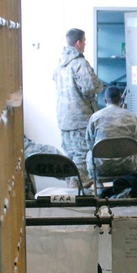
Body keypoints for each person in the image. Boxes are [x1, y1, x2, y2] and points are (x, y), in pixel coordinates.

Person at [53, 28, 104, 187]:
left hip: (64, 119)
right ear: (78, 42)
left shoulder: (60, 64)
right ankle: (81, 196)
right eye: (84, 41)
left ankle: (72, 189)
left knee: (72, 156)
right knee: (83, 157)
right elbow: (90, 87)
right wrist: (100, 85)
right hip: (80, 118)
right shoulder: (79, 63)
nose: (85, 44)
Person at [85, 85, 137, 179]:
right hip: (128, 166)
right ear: (121, 100)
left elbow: (89, 143)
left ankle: (99, 186)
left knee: (89, 153)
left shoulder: (95, 117)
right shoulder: (132, 117)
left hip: (102, 167)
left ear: (105, 100)